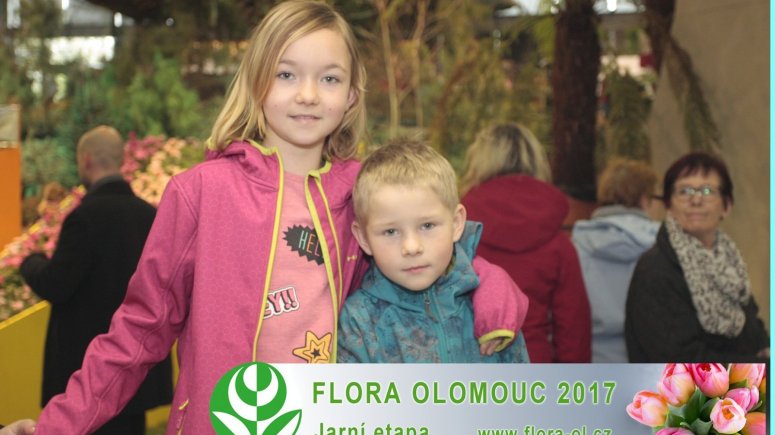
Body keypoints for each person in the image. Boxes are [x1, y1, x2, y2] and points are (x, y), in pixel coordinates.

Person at [14, 2, 518, 433]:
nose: (308, 94)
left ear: (351, 96)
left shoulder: (362, 192)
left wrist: (493, 299)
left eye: (329, 78)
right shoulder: (200, 194)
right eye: (286, 74)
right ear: (256, 83)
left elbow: (443, 254)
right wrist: (56, 426)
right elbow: (138, 331)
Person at [19, 126, 173, 435]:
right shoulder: (149, 215)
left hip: (89, 374)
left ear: (86, 160)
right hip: (135, 371)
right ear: (121, 159)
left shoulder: (84, 217)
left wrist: (30, 261)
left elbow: (56, 284)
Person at [337, 139, 531, 363]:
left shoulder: (493, 311)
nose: (411, 247)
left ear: (456, 223)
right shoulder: (358, 321)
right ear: (363, 238)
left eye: (427, 226)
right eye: (390, 231)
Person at [460, 122, 592, 363]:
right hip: (536, 367)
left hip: (472, 365)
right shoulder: (559, 244)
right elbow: (573, 331)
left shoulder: (459, 235)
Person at [625, 152, 770, 362]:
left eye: (708, 191)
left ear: (727, 206)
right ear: (669, 205)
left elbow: (754, 333)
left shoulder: (730, 263)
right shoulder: (655, 270)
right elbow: (680, 363)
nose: (696, 200)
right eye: (684, 191)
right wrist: (763, 370)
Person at [571, 158, 659, 362]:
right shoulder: (664, 244)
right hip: (649, 359)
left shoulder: (577, 244)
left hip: (594, 360)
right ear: (644, 200)